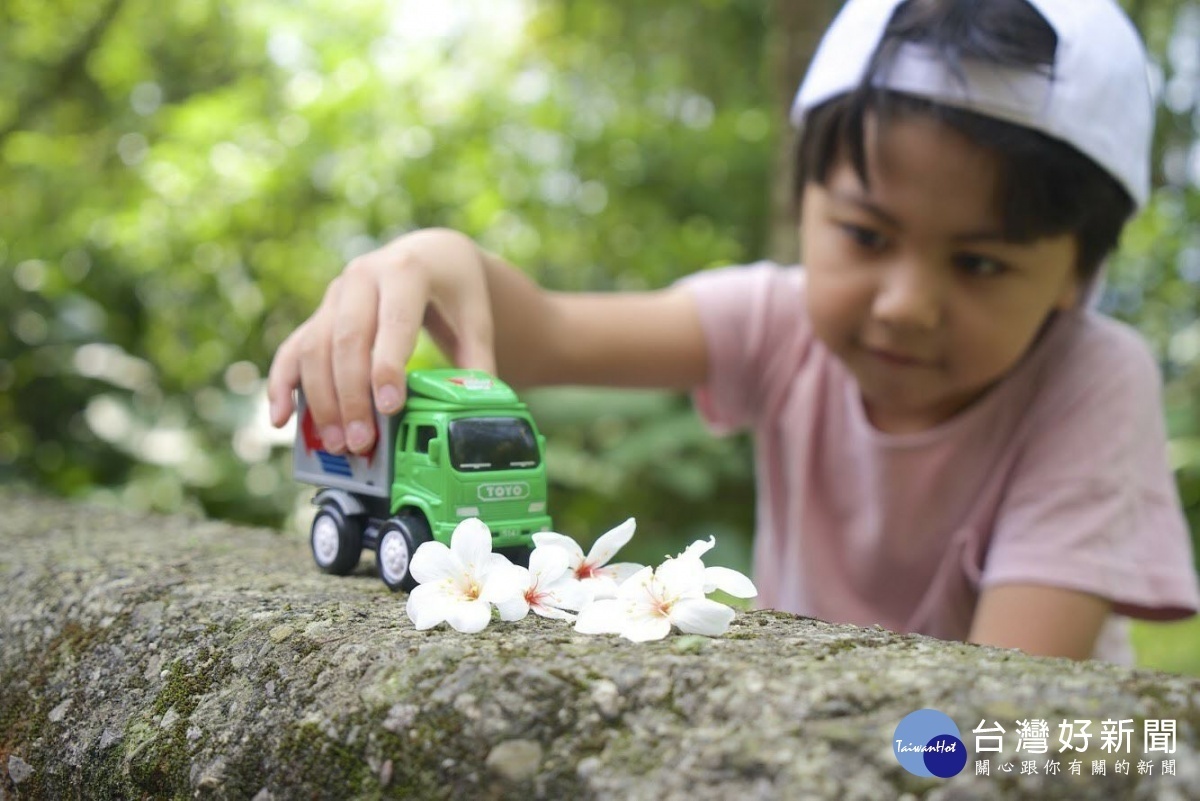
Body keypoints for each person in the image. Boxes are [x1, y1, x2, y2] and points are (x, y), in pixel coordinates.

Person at [268, 0, 1200, 664]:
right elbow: (547, 335)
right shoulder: (776, 320)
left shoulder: (1091, 379)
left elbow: (1008, 705)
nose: (906, 303)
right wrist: (436, 258)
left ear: (1079, 278)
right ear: (804, 203)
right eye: (867, 236)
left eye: (982, 262)